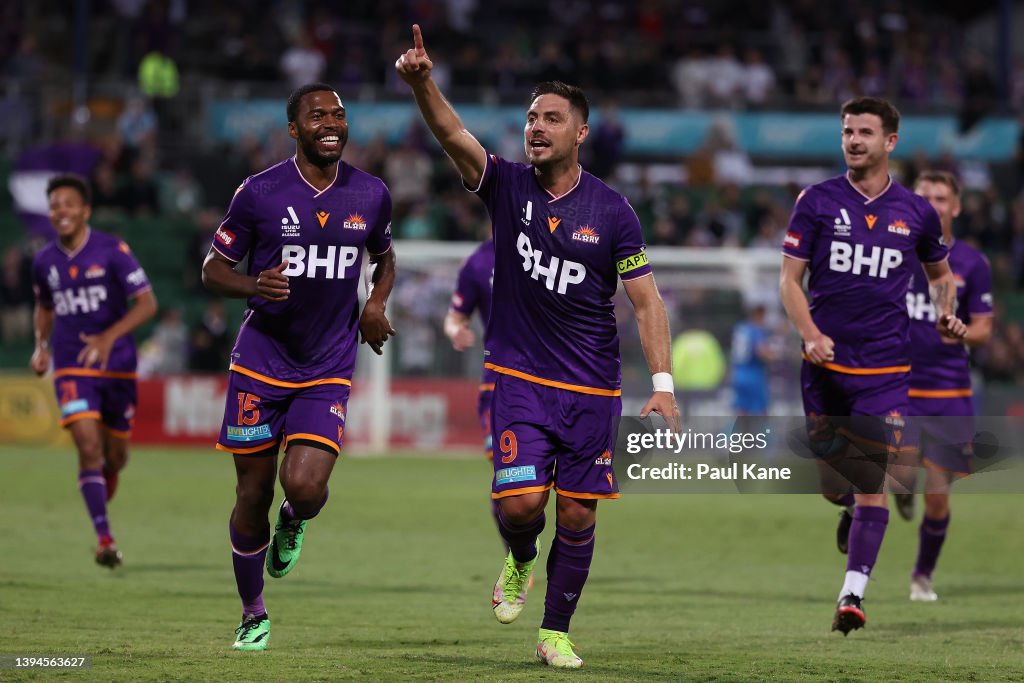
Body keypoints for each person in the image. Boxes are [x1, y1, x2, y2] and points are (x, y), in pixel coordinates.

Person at [397, 26, 679, 668]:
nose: (537, 127)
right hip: (519, 380)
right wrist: (422, 85)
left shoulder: (613, 212)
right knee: (522, 505)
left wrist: (662, 385)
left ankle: (554, 632)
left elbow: (646, 301)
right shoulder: (505, 185)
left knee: (578, 518)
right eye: (531, 117)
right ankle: (521, 557)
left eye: (552, 118)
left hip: (592, 389)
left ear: (581, 133)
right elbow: (453, 137)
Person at [201, 83, 396, 652]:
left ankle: (297, 517)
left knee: (305, 487)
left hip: (327, 365)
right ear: (294, 128)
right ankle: (252, 612)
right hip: (260, 364)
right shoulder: (259, 193)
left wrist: (376, 304)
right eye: (318, 115)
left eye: (339, 114)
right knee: (251, 493)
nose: (331, 123)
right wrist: (249, 284)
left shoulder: (372, 193)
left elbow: (385, 258)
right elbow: (214, 268)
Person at [778, 96, 966, 636]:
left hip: (884, 371)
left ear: (890, 142)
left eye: (865, 132)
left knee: (870, 484)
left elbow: (939, 274)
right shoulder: (815, 202)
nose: (854, 140)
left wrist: (946, 315)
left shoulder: (915, 211)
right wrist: (811, 334)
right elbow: (790, 281)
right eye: (847, 131)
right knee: (837, 487)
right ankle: (847, 512)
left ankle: (852, 595)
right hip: (823, 369)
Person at [29, 174, 158, 568]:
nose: (60, 211)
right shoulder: (44, 262)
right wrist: (41, 346)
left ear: (85, 210)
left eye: (68, 204)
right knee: (88, 446)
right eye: (54, 205)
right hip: (71, 365)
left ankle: (104, 484)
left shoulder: (113, 250)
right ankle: (104, 538)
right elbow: (46, 307)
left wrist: (107, 338)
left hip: (117, 365)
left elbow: (147, 303)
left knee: (115, 456)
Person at [901, 170, 992, 601]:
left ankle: (922, 575)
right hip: (894, 385)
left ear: (955, 207)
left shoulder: (973, 264)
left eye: (942, 198)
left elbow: (984, 329)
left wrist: (960, 332)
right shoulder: (893, 254)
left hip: (948, 392)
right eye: (926, 197)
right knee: (889, 472)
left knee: (937, 498)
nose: (934, 204)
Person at [729, 303, 775, 416]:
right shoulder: (756, 330)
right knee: (759, 412)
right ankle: (760, 434)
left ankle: (739, 433)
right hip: (753, 376)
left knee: (741, 411)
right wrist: (773, 355)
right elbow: (761, 351)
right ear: (758, 315)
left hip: (738, 374)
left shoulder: (740, 328)